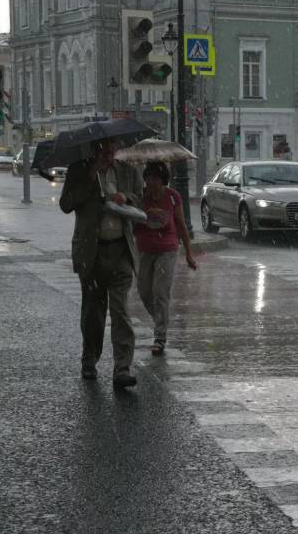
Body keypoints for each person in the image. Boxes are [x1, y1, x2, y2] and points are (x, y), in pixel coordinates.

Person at [59, 138, 143, 389]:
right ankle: (89, 360)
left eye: (112, 150)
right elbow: (66, 204)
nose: (108, 155)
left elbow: (139, 198)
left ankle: (122, 368)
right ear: (94, 150)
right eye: (103, 150)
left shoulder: (127, 171)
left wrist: (124, 198)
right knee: (93, 313)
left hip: (120, 249)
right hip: (91, 252)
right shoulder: (79, 170)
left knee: (121, 312)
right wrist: (90, 177)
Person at [134, 162, 197, 357]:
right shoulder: (140, 197)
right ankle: (161, 320)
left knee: (160, 292)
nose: (152, 182)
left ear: (163, 180)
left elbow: (180, 224)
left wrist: (188, 252)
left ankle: (160, 336)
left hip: (167, 250)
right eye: (149, 178)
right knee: (145, 292)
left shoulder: (172, 197)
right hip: (144, 250)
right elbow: (132, 223)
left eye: (156, 178)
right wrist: (144, 216)